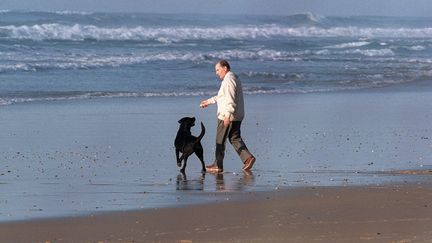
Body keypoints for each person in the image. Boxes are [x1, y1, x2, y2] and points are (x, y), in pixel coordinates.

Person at [200, 60, 256, 173]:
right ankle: (248, 158)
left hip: (228, 114)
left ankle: (217, 165)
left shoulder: (228, 80)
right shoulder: (232, 78)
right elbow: (222, 96)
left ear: (225, 68)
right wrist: (209, 101)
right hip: (237, 114)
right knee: (234, 138)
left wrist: (227, 116)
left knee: (220, 140)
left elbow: (230, 99)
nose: (216, 73)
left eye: (218, 70)